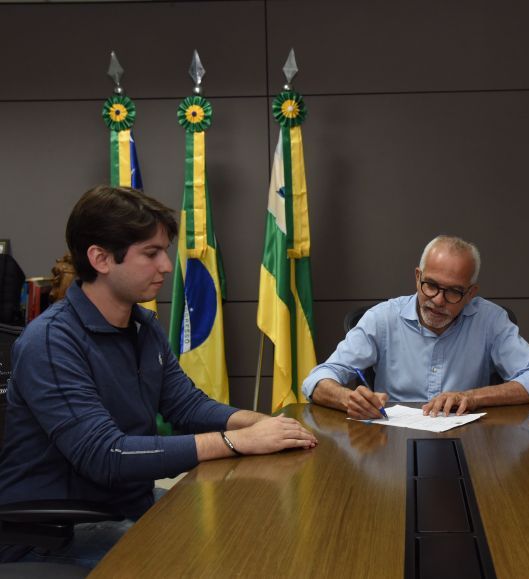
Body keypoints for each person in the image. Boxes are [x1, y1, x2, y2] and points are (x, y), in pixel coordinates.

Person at [0, 186, 318, 566]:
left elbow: (186, 405)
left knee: (252, 534)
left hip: (124, 507)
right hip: (55, 534)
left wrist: (262, 425)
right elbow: (107, 455)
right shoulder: (50, 341)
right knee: (222, 560)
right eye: (151, 253)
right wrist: (237, 441)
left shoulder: (142, 326)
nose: (167, 266)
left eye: (164, 251)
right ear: (100, 258)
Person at [302, 235, 529, 419]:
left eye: (454, 292)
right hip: (390, 443)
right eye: (431, 285)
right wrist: (350, 400)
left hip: (469, 442)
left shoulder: (490, 320)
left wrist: (470, 397)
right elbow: (316, 380)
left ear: (470, 293)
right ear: (417, 277)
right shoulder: (382, 319)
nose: (438, 300)